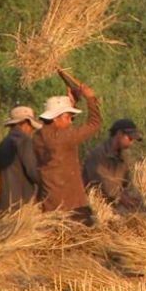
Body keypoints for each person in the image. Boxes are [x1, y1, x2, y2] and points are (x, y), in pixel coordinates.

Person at [34, 85, 102, 225]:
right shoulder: (64, 138)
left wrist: (72, 104)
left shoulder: (38, 136)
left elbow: (66, 130)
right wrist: (90, 98)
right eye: (68, 117)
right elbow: (95, 124)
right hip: (71, 205)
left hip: (50, 203)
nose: (71, 120)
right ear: (55, 118)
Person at [82, 118, 146, 225]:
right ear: (119, 134)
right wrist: (122, 198)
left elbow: (128, 182)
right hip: (99, 203)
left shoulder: (123, 156)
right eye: (129, 138)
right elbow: (103, 184)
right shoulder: (98, 154)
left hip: (116, 199)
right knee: (125, 217)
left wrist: (136, 199)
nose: (132, 142)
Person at [0, 105, 42, 213]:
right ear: (25, 123)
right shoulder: (24, 142)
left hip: (4, 205)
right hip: (21, 206)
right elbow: (33, 172)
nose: (32, 130)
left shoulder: (1, 145)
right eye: (31, 126)